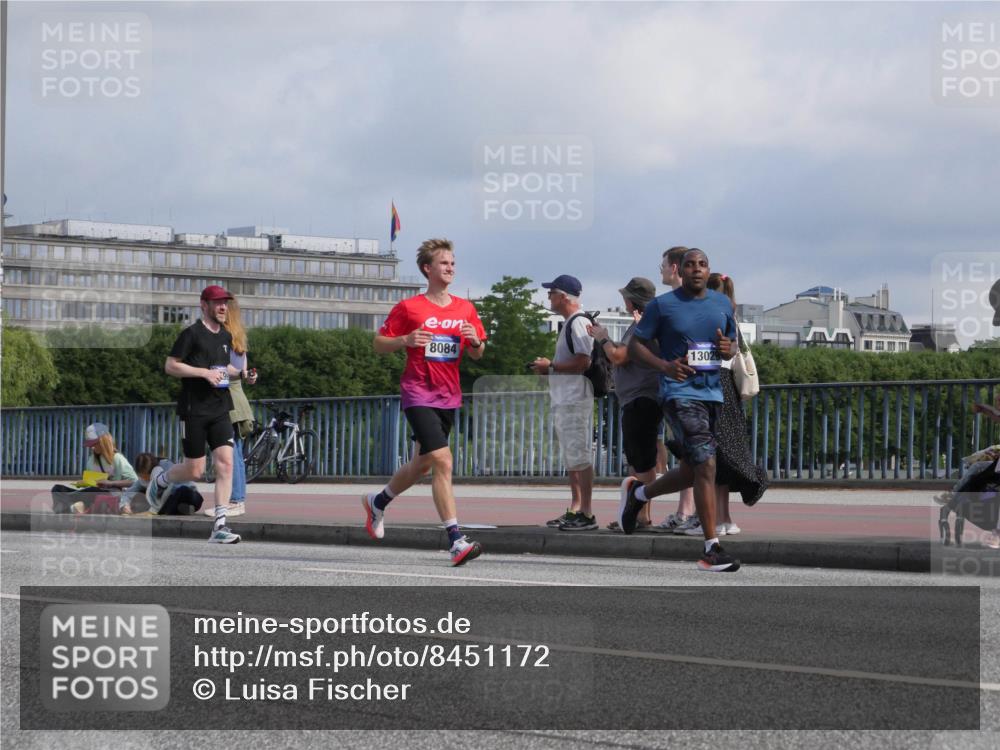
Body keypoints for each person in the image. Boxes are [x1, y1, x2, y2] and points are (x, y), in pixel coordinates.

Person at [362, 238, 487, 566]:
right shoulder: (410, 307)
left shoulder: (465, 308)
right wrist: (405, 339)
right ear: (427, 269)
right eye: (444, 263)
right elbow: (378, 343)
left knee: (422, 464)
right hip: (418, 392)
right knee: (443, 461)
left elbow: (477, 352)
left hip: (449, 395)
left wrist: (474, 341)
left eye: (453, 263)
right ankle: (455, 540)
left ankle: (378, 501)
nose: (451, 268)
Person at [619, 248, 742, 572]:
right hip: (678, 392)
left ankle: (640, 494)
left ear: (708, 270)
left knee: (695, 468)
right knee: (707, 463)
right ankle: (711, 548)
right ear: (681, 271)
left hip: (712, 393)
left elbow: (732, 344)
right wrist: (664, 366)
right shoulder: (662, 305)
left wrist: (729, 347)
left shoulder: (721, 304)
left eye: (702, 265)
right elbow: (634, 346)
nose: (697, 270)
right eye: (690, 265)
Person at [155, 285, 242, 544]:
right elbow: (171, 366)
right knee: (195, 471)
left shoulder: (225, 336)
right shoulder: (190, 334)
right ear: (203, 305)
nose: (223, 307)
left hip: (219, 408)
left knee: (225, 463)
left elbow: (222, 366)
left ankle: (219, 526)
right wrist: (204, 373)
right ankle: (162, 478)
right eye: (217, 303)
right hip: (194, 410)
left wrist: (241, 374)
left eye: (225, 302)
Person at [588, 277, 661, 532]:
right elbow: (628, 353)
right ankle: (634, 514)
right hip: (638, 397)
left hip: (642, 397)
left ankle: (642, 516)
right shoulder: (641, 323)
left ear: (632, 300)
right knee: (638, 459)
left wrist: (603, 338)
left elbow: (618, 357)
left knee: (643, 461)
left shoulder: (645, 324)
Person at [531, 274, 597, 531]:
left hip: (575, 398)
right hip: (566, 398)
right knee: (573, 455)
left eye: (551, 293)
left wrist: (552, 366)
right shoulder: (571, 323)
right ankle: (576, 507)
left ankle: (587, 512)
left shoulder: (578, 323)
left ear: (564, 296)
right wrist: (550, 368)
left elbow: (584, 361)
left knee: (579, 454)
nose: (548, 297)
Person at [705, 272, 768, 536]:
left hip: (712, 384)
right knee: (726, 455)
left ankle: (713, 518)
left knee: (712, 456)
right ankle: (724, 517)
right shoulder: (731, 317)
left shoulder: (711, 316)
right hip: (730, 390)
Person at [202, 298, 258, 517]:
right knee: (234, 452)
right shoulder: (238, 339)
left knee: (228, 452)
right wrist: (246, 375)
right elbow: (242, 372)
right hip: (237, 399)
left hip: (226, 400)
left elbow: (227, 370)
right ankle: (237, 500)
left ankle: (235, 500)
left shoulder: (221, 338)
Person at [655, 245, 698, 534]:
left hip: (686, 388)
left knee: (691, 452)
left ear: (673, 268)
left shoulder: (675, 305)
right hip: (685, 388)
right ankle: (687, 510)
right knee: (687, 452)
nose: (659, 271)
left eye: (662, 266)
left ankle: (688, 512)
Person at [50, 423, 137, 513]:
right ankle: (70, 507)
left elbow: (134, 482)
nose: (92, 447)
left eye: (94, 444)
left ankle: (68, 507)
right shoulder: (91, 460)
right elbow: (91, 483)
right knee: (57, 489)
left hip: (111, 494)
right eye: (90, 445)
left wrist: (110, 483)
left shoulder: (117, 458)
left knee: (92, 492)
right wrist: (84, 482)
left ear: (104, 441)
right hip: (92, 492)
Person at [121, 453, 204, 516]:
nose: (144, 480)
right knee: (144, 493)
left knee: (177, 492)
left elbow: (169, 491)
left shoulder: (165, 467)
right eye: (142, 477)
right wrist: (124, 505)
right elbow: (130, 491)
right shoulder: (143, 478)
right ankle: (180, 509)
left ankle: (173, 510)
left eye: (146, 477)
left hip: (190, 495)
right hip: (171, 501)